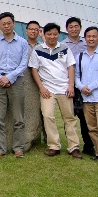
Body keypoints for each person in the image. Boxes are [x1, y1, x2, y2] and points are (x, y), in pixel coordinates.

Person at [29, 23, 82, 158]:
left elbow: (70, 67)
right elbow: (34, 69)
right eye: (49, 34)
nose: (52, 37)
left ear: (58, 34)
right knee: (48, 116)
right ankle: (54, 146)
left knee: (69, 118)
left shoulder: (65, 48)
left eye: (55, 34)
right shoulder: (38, 50)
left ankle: (74, 147)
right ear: (44, 34)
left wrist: (71, 86)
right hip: (48, 90)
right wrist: (41, 87)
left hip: (64, 89)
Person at [0, 12, 29, 159]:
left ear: (14, 24)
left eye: (9, 23)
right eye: (3, 24)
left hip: (16, 81)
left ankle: (18, 148)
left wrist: (10, 77)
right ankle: (0, 149)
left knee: (18, 117)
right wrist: (0, 78)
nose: (6, 26)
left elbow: (23, 64)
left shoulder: (22, 43)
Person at [75, 27, 98, 167]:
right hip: (86, 98)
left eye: (94, 36)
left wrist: (90, 87)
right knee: (92, 128)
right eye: (88, 36)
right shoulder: (79, 57)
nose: (91, 39)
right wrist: (81, 87)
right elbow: (76, 76)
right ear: (85, 38)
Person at [63, 17, 94, 156]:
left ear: (80, 28)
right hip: (69, 85)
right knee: (69, 115)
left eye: (76, 26)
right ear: (67, 29)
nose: (74, 29)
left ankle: (89, 145)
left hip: (85, 84)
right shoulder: (63, 45)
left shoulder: (87, 43)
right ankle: (73, 145)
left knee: (86, 116)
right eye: (71, 27)